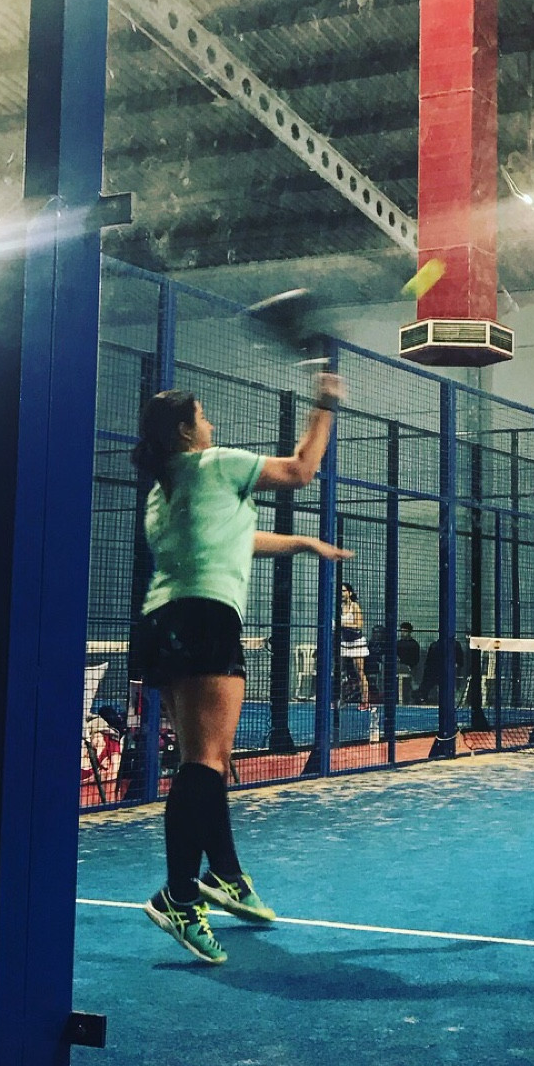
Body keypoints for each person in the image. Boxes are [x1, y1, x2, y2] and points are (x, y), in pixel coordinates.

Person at [132, 372, 351, 964]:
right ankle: (178, 897)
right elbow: (301, 470)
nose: (212, 425)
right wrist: (325, 404)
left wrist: (303, 543)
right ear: (186, 431)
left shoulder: (163, 491)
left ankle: (224, 873)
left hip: (162, 623)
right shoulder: (215, 464)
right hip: (205, 617)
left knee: (207, 761)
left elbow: (236, 538)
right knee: (205, 763)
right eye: (203, 417)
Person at [339, 582, 371, 707]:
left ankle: (365, 701)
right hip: (344, 643)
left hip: (357, 643)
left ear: (350, 593)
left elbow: (358, 625)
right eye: (340, 591)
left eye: (344, 591)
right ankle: (341, 699)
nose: (342, 593)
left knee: (359, 672)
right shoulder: (338, 607)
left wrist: (343, 624)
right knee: (340, 672)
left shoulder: (355, 606)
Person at [396, 622, 420, 702]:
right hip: (398, 667)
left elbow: (416, 659)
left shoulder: (414, 644)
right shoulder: (398, 643)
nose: (403, 633)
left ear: (409, 632)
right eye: (402, 631)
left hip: (410, 668)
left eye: (405, 631)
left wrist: (409, 665)